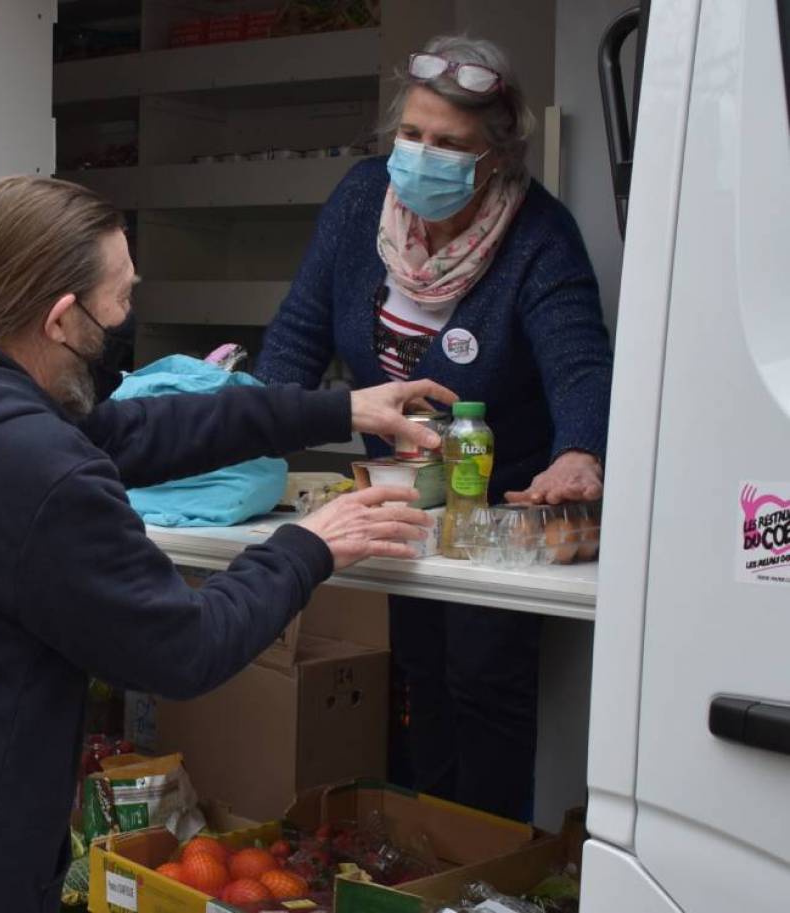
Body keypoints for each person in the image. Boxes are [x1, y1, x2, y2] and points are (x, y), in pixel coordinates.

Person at [0, 175, 451, 912]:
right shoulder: (34, 468)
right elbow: (183, 646)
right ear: (59, 320)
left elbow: (142, 431)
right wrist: (310, 542)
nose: (125, 318)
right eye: (118, 301)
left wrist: (337, 409)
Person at [255, 35, 613, 822]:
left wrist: (581, 453)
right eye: (412, 135)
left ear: (495, 158)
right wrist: (235, 427)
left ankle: (488, 864)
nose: (423, 156)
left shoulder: (538, 236)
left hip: (498, 507)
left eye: (450, 143)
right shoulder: (360, 202)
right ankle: (427, 853)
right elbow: (298, 334)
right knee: (418, 672)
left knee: (483, 679)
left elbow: (581, 366)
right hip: (397, 499)